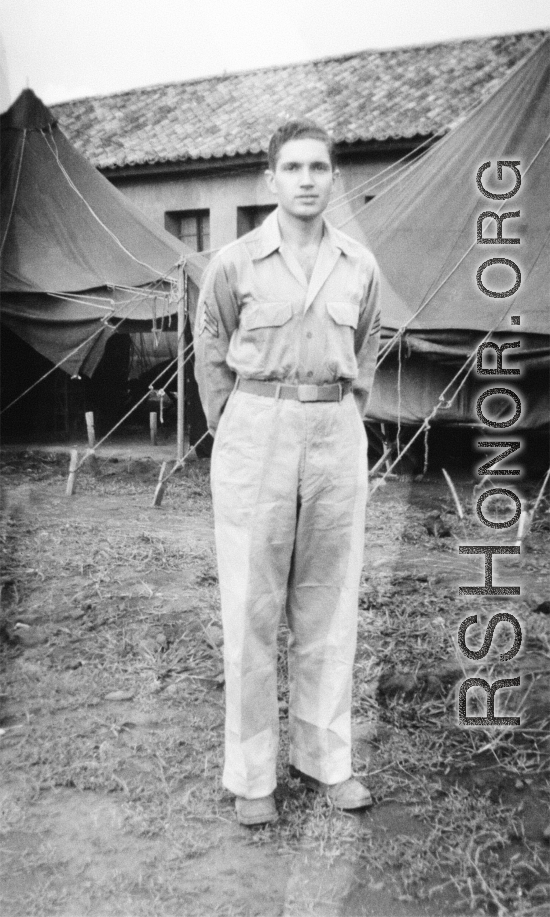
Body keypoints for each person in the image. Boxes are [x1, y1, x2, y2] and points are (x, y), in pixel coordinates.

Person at [194, 119, 381, 826]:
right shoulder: (234, 262)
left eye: (320, 167)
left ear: (335, 178)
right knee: (251, 606)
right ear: (270, 179)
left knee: (329, 604)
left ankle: (326, 761)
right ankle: (252, 778)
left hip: (334, 429)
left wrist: (346, 418)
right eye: (293, 168)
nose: (307, 179)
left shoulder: (359, 264)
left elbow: (366, 347)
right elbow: (209, 347)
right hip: (257, 427)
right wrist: (235, 426)